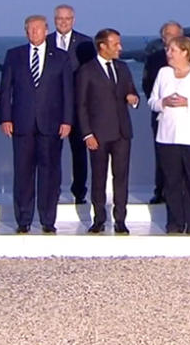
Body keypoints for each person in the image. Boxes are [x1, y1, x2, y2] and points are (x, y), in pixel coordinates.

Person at [0, 15, 73, 234]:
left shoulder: (60, 57)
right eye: (30, 30)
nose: (34, 33)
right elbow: (6, 91)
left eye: (38, 29)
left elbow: (67, 92)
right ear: (26, 32)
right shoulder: (15, 55)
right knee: (23, 174)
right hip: (22, 124)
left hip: (51, 125)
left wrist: (67, 120)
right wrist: (5, 117)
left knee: (50, 174)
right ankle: (23, 219)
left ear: (46, 30)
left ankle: (48, 220)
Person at [148, 36, 190, 235]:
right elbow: (152, 101)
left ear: (185, 52)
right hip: (167, 137)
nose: (168, 53)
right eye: (168, 50)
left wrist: (188, 102)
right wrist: (163, 102)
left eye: (173, 50)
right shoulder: (163, 73)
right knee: (172, 180)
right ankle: (174, 221)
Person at [76, 28, 139, 234]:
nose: (120, 48)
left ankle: (120, 219)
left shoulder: (122, 68)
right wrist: (87, 133)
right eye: (115, 44)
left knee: (121, 177)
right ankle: (99, 218)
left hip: (122, 132)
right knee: (99, 177)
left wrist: (133, 99)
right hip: (98, 134)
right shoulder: (86, 71)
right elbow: (81, 105)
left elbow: (131, 90)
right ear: (102, 46)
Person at [46, 4, 96, 204]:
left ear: (73, 20)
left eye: (67, 19)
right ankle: (52, 190)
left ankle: (79, 192)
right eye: (60, 18)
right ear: (54, 20)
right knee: (51, 151)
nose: (64, 22)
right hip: (51, 107)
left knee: (79, 151)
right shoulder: (46, 41)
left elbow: (91, 74)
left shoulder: (85, 42)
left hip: (77, 107)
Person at [141, 20, 183, 204]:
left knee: (185, 155)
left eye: (174, 35)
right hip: (161, 113)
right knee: (162, 153)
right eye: (167, 35)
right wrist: (160, 102)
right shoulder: (154, 58)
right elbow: (147, 83)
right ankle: (161, 190)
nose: (170, 39)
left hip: (186, 115)